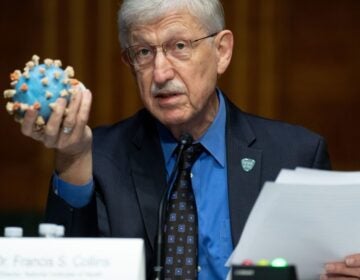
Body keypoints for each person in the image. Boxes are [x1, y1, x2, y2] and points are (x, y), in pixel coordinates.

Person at [19, 0, 360, 279]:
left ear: (222, 51)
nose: (161, 73)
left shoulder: (295, 154)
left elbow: (324, 267)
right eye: (143, 53)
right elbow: (60, 266)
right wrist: (74, 158)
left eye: (179, 46)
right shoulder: (100, 157)